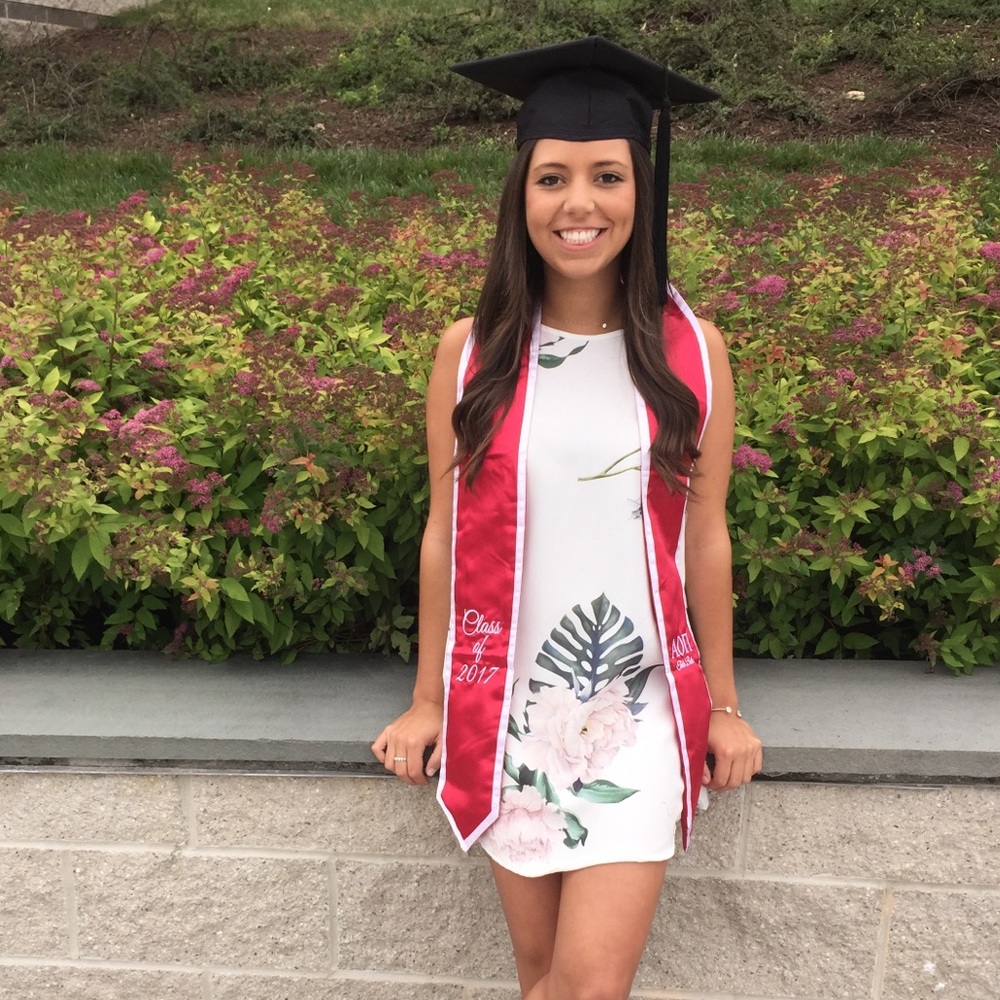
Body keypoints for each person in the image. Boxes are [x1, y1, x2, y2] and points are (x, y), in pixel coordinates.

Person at [372, 36, 763, 1000]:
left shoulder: (692, 353)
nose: (578, 203)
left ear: (642, 192)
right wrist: (429, 699)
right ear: (521, 194)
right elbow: (445, 534)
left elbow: (703, 536)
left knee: (588, 985)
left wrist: (724, 703)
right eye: (553, 177)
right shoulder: (472, 355)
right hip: (512, 709)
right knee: (540, 975)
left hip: (639, 712)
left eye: (606, 176)